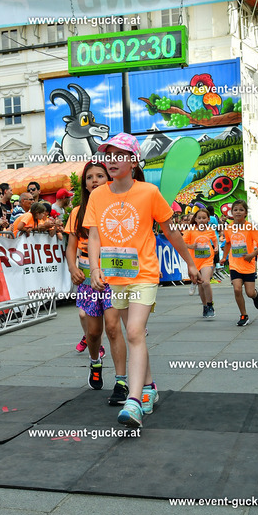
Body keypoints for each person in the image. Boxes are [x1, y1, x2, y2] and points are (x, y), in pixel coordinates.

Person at [85, 133, 200, 428]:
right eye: (108, 155)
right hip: (114, 277)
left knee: (135, 331)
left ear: (134, 161)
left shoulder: (149, 192)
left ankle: (133, 401)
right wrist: (95, 268)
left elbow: (171, 231)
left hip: (144, 274)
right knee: (133, 334)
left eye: (119, 155)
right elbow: (94, 235)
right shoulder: (98, 195)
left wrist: (190, 263)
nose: (112, 161)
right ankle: (149, 387)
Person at [64, 160, 131, 400]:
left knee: (113, 328)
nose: (95, 180)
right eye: (90, 177)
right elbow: (70, 247)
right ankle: (95, 362)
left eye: (100, 176)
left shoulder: (119, 207)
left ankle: (121, 381)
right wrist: (73, 268)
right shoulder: (77, 212)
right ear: (84, 184)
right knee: (93, 333)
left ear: (109, 179)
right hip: (87, 281)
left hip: (113, 277)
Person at [220, 199, 258, 326]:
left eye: (241, 210)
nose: (238, 212)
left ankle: (255, 295)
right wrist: (224, 257)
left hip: (248, 265)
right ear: (231, 212)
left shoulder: (249, 227)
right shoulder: (229, 228)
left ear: (245, 213)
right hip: (234, 264)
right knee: (237, 289)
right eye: (235, 210)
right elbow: (228, 243)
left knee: (249, 293)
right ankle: (243, 315)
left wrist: (252, 255)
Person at [183, 205, 218, 318]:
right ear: (196, 219)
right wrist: (191, 246)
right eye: (199, 218)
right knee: (200, 285)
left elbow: (214, 239)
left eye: (204, 218)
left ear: (208, 219)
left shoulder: (210, 230)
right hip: (195, 261)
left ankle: (210, 304)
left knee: (205, 282)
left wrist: (216, 247)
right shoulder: (190, 230)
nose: (202, 220)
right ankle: (205, 306)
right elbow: (182, 244)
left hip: (207, 260)